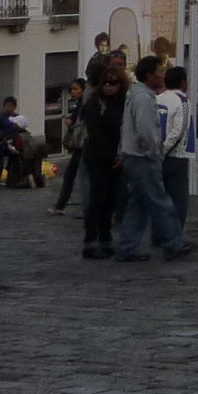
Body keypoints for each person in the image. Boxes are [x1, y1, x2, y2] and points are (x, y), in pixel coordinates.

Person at [115, 53, 192, 262]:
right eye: (159, 71)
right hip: (143, 158)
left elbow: (127, 126)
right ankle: (173, 243)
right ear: (150, 75)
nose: (163, 75)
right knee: (160, 201)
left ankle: (127, 247)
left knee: (138, 205)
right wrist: (154, 154)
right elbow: (146, 130)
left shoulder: (136, 94)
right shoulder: (143, 98)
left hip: (133, 156)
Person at [77, 62, 128, 259]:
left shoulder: (123, 102)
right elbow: (94, 131)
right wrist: (111, 156)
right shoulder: (94, 103)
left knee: (110, 201)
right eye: (105, 82)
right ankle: (90, 241)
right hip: (97, 157)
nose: (108, 85)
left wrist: (120, 154)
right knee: (96, 200)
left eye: (113, 82)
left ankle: (105, 239)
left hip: (117, 157)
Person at [157, 66, 192, 223]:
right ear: (183, 82)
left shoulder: (157, 99)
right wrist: (163, 151)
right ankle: (175, 236)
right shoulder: (183, 101)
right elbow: (178, 131)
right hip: (175, 156)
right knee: (178, 200)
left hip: (156, 156)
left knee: (160, 199)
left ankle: (159, 234)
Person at [50, 79, 88, 213]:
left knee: (73, 176)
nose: (73, 91)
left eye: (76, 89)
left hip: (83, 146)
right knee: (70, 176)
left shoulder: (84, 104)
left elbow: (80, 124)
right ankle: (61, 205)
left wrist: (71, 124)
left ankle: (61, 205)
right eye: (72, 89)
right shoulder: (80, 103)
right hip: (80, 147)